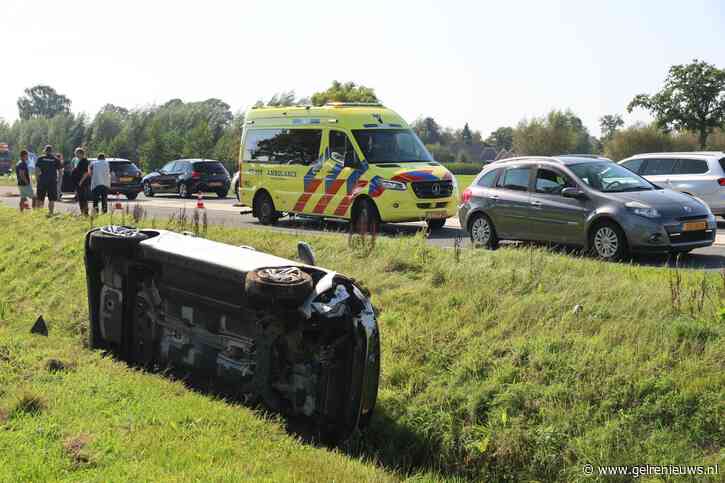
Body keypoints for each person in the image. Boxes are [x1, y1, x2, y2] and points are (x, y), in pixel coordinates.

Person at [35, 145, 62, 215]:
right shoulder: (56, 159)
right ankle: (51, 213)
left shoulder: (40, 158)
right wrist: (58, 180)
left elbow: (37, 170)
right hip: (52, 181)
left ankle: (39, 213)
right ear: (51, 151)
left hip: (42, 181)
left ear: (45, 151)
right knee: (51, 199)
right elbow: (60, 171)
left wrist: (37, 179)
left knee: (40, 198)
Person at [73, 148, 91, 216]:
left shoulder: (84, 161)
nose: (75, 155)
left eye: (76, 153)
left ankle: (85, 213)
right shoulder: (79, 161)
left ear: (80, 153)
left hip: (82, 182)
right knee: (80, 198)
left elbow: (86, 173)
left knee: (83, 198)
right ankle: (82, 212)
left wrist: (81, 181)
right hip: (79, 182)